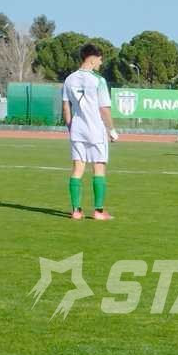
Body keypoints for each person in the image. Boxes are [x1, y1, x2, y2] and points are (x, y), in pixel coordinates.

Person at [61, 43, 119, 221]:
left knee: (77, 169)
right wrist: (112, 129)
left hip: (77, 129)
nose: (101, 63)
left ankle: (76, 211)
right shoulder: (98, 80)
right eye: (100, 60)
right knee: (98, 168)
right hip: (95, 130)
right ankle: (98, 211)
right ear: (93, 59)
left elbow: (66, 107)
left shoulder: (69, 79)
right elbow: (104, 109)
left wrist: (71, 128)